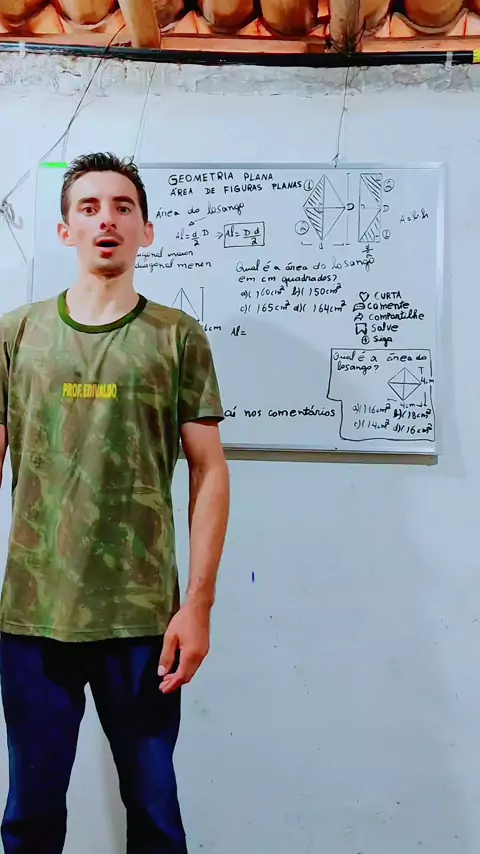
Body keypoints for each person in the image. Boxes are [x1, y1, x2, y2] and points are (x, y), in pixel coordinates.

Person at [0, 152, 230, 854]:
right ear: (65, 229)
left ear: (146, 231)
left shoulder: (176, 336)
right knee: (30, 816)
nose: (107, 219)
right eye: (90, 207)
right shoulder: (17, 335)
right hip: (34, 618)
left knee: (155, 814)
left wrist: (197, 606)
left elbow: (209, 470)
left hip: (143, 622)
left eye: (123, 207)